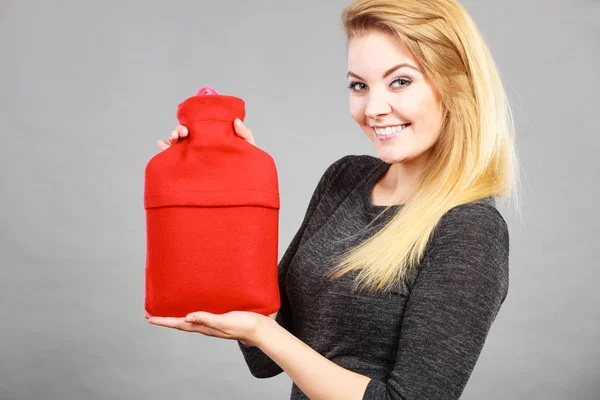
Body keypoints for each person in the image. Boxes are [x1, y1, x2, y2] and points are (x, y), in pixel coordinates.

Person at [146, 0, 519, 399]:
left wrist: (264, 334)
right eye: (359, 85)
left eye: (400, 81)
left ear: (456, 84)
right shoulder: (346, 179)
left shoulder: (469, 228)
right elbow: (268, 353)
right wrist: (227, 188)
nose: (373, 109)